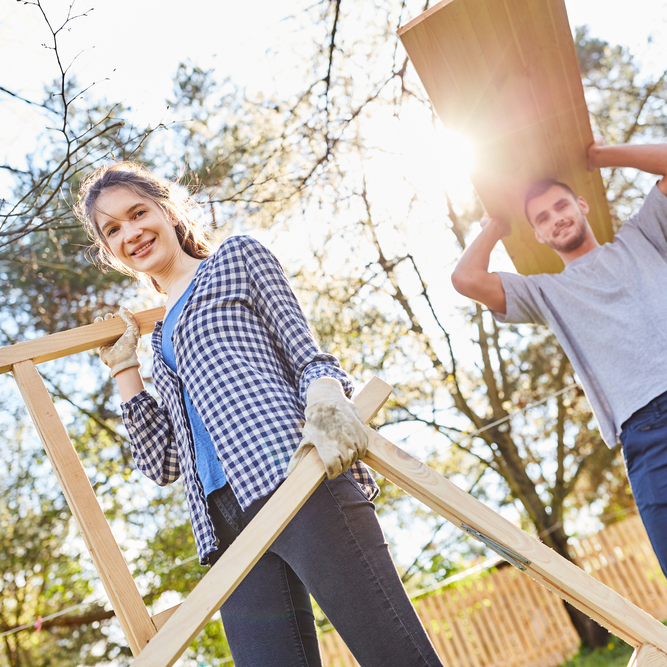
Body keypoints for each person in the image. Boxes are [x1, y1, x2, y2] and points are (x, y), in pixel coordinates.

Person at [75, 162, 443, 667]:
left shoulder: (235, 258)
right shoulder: (156, 339)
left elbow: (305, 352)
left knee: (393, 653)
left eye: (138, 213)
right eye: (112, 229)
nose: (131, 232)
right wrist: (126, 371)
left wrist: (327, 399)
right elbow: (161, 463)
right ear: (109, 250)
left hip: (297, 479)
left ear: (168, 209)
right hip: (224, 524)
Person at [451, 140, 667, 576]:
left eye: (561, 205)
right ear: (539, 235)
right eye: (542, 218)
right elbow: (466, 278)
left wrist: (598, 155)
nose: (556, 218)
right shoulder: (546, 293)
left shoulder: (641, 235)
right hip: (646, 438)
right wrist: (497, 223)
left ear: (582, 204)